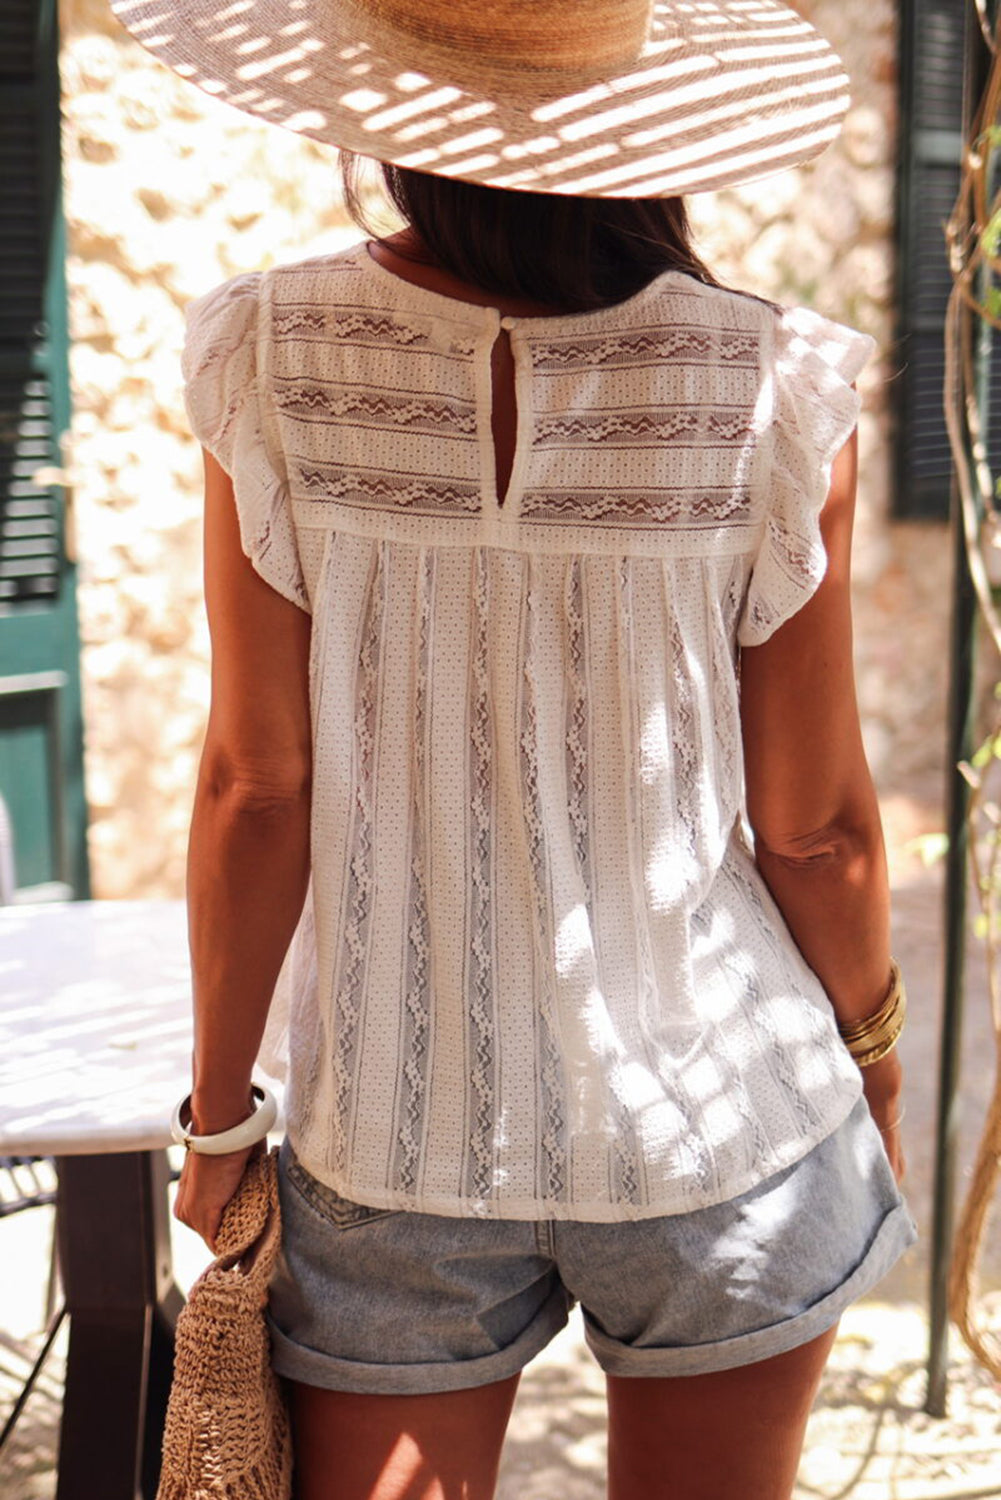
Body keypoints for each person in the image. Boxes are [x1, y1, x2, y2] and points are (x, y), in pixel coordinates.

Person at [113, 0, 918, 1495]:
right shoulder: (769, 386)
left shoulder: (271, 354)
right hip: (719, 1130)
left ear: (394, 117)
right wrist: (865, 1046)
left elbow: (252, 786)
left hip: (393, 1136)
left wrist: (220, 1115)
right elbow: (814, 827)